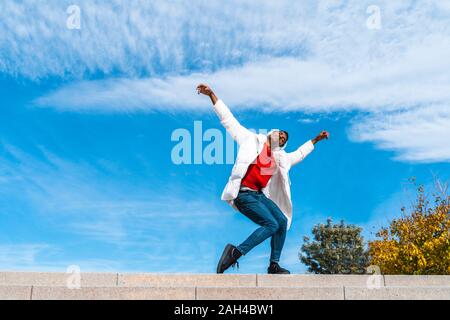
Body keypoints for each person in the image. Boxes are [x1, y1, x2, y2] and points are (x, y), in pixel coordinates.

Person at [197, 84, 330, 274]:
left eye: (284, 139)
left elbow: (299, 154)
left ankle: (273, 265)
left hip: (259, 197)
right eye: (280, 134)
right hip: (243, 194)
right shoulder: (251, 140)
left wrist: (316, 139)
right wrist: (211, 94)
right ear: (272, 132)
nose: (282, 138)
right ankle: (235, 252)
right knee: (271, 224)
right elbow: (229, 121)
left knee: (281, 222)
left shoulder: (281, 159)